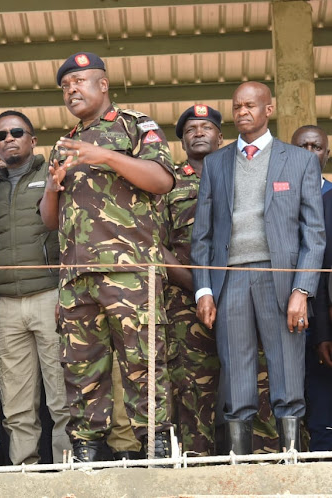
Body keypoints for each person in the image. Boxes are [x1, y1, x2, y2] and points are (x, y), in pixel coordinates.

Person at [39, 52, 175, 461]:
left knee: (144, 364)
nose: (71, 91)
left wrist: (108, 157)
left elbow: (162, 180)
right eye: (65, 86)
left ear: (103, 85)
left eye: (79, 82)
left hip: (130, 273)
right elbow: (49, 220)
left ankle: (155, 449)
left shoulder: (135, 126)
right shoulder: (64, 143)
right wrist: (52, 186)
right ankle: (87, 452)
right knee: (82, 370)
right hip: (77, 279)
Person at [191, 82, 325, 455]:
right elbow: (201, 235)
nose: (242, 112)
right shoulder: (216, 163)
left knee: (287, 372)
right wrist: (203, 289)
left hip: (281, 279)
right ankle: (240, 468)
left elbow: (314, 234)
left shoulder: (298, 160)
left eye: (251, 105)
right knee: (236, 373)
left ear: (269, 109)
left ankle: (291, 462)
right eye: (237, 107)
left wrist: (303, 290)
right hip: (230, 279)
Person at [0, 110, 71, 465]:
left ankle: (69, 469)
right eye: (1, 135)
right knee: (16, 402)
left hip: (49, 297)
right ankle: (26, 472)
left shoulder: (54, 176)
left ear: (33, 140)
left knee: (62, 396)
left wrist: (67, 294)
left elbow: (72, 236)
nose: (9, 138)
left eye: (17, 132)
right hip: (6, 305)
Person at [161, 105, 224, 455]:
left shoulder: (239, 175)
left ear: (220, 136)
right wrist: (197, 287)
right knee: (193, 387)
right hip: (184, 299)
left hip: (241, 293)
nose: (198, 132)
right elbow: (156, 243)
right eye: (190, 129)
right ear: (182, 141)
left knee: (258, 380)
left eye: (206, 126)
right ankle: (197, 468)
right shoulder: (168, 181)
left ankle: (264, 462)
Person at [291, 125, 332, 451]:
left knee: (322, 403)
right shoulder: (274, 200)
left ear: (326, 154)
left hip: (324, 317)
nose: (309, 153)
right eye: (301, 146)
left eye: (316, 147)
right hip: (281, 313)